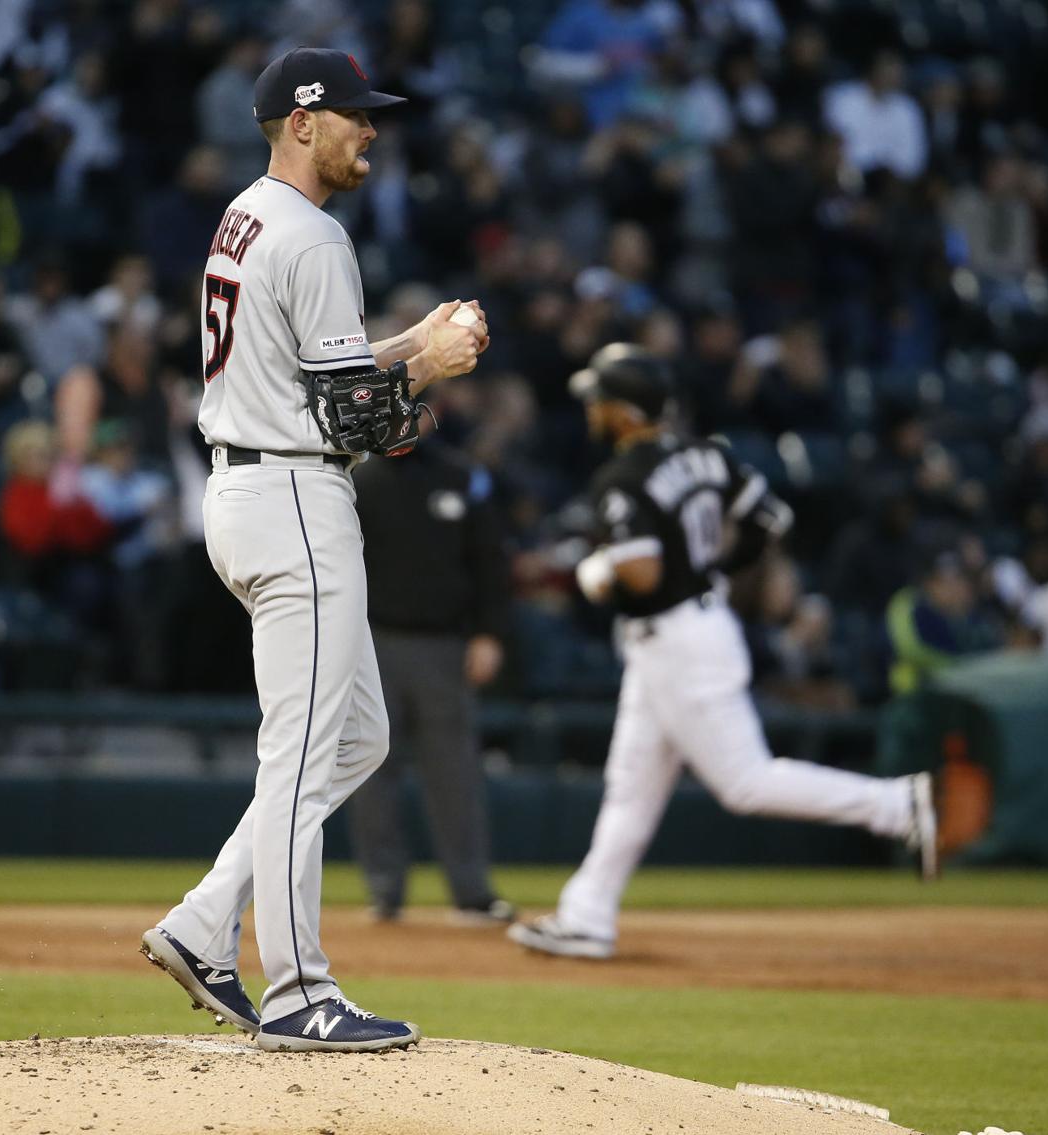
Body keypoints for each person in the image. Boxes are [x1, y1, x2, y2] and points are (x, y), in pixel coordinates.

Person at [139, 48, 488, 1053]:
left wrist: (402, 342)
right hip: (294, 494)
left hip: (248, 483)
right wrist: (433, 366)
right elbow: (359, 425)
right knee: (299, 752)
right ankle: (298, 990)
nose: (369, 130)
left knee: (357, 738)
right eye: (352, 115)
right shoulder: (316, 235)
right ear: (302, 121)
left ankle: (207, 922)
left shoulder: (248, 216)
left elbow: (312, 378)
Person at [508, 344, 937, 961]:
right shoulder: (708, 454)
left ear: (627, 412)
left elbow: (645, 576)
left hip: (678, 641)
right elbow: (770, 518)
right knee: (630, 785)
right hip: (686, 635)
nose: (593, 411)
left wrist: (598, 570)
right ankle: (587, 915)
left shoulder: (624, 478)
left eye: (601, 401)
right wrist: (717, 570)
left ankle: (895, 805)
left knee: (744, 782)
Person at [349, 426, 512, 924]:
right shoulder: (357, 475)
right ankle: (384, 892)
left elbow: (491, 560)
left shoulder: (462, 476)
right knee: (370, 771)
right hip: (371, 642)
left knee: (455, 773)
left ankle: (471, 892)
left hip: (445, 645)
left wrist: (490, 633)